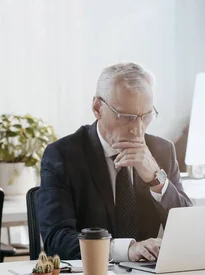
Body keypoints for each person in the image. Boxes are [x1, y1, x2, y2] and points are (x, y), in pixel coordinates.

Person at [37, 62, 192, 262]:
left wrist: (157, 180)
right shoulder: (63, 155)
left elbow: (188, 232)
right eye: (127, 117)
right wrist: (126, 250)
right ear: (97, 108)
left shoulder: (162, 151)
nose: (137, 129)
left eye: (145, 117)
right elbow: (56, 239)